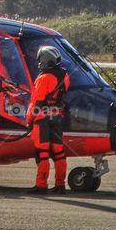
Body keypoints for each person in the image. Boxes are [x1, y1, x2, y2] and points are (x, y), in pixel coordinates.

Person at [26, 45, 70, 194]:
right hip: (58, 117)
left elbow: (36, 102)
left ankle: (41, 185)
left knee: (42, 152)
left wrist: (29, 120)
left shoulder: (43, 78)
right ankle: (60, 184)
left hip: (42, 118)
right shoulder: (65, 76)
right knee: (58, 152)